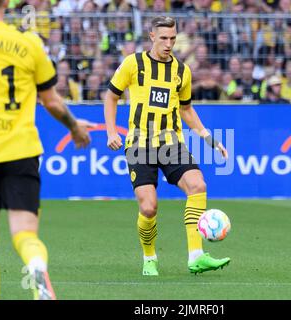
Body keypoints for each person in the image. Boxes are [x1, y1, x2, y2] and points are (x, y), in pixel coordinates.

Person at [0, 0, 92, 300]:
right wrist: (74, 126)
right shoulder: (28, 43)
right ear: (7, 3)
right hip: (21, 150)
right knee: (26, 234)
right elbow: (52, 101)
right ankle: (35, 264)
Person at [104, 16, 231, 276]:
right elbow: (111, 96)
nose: (169, 44)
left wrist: (208, 137)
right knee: (148, 207)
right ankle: (149, 256)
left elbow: (186, 109)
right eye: (163, 38)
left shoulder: (182, 71)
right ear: (152, 36)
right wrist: (110, 131)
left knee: (198, 185)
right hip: (139, 144)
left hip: (171, 142)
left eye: (173, 38)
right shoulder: (133, 64)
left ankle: (196, 256)